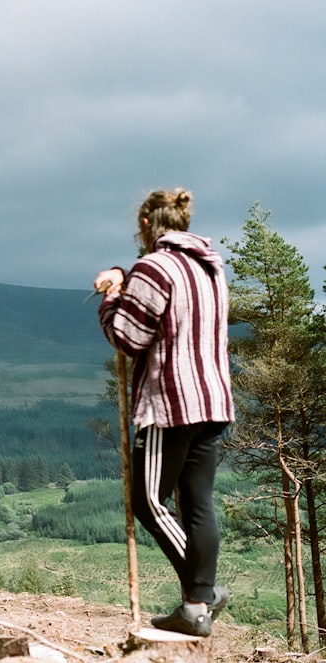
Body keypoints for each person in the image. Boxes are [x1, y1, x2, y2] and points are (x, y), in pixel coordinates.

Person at [94, 188, 234, 637]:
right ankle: (199, 599)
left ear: (145, 227)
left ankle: (201, 596)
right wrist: (123, 277)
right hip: (213, 400)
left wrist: (111, 296)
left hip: (170, 404)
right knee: (198, 505)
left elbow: (127, 338)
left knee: (150, 502)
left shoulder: (155, 267)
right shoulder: (211, 266)